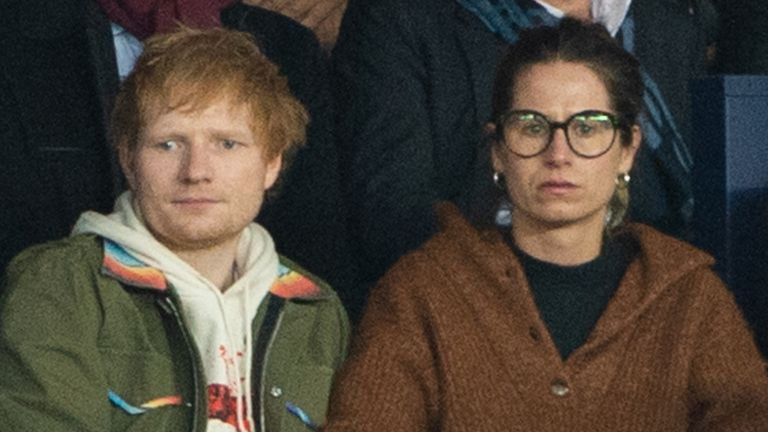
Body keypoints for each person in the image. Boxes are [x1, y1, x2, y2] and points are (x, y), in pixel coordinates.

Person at [323, 19, 768, 431]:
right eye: (532, 127)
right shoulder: (421, 292)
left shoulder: (690, 299)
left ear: (628, 148)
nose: (559, 152)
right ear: (497, 149)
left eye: (588, 127)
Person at [0, 27, 349, 432]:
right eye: (168, 144)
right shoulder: (62, 286)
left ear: (271, 163)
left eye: (227, 144)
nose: (196, 171)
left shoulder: (315, 309)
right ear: (128, 159)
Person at [332, 0, 713, 296]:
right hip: (471, 326)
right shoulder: (405, 16)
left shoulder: (673, 17)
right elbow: (392, 217)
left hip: (654, 315)